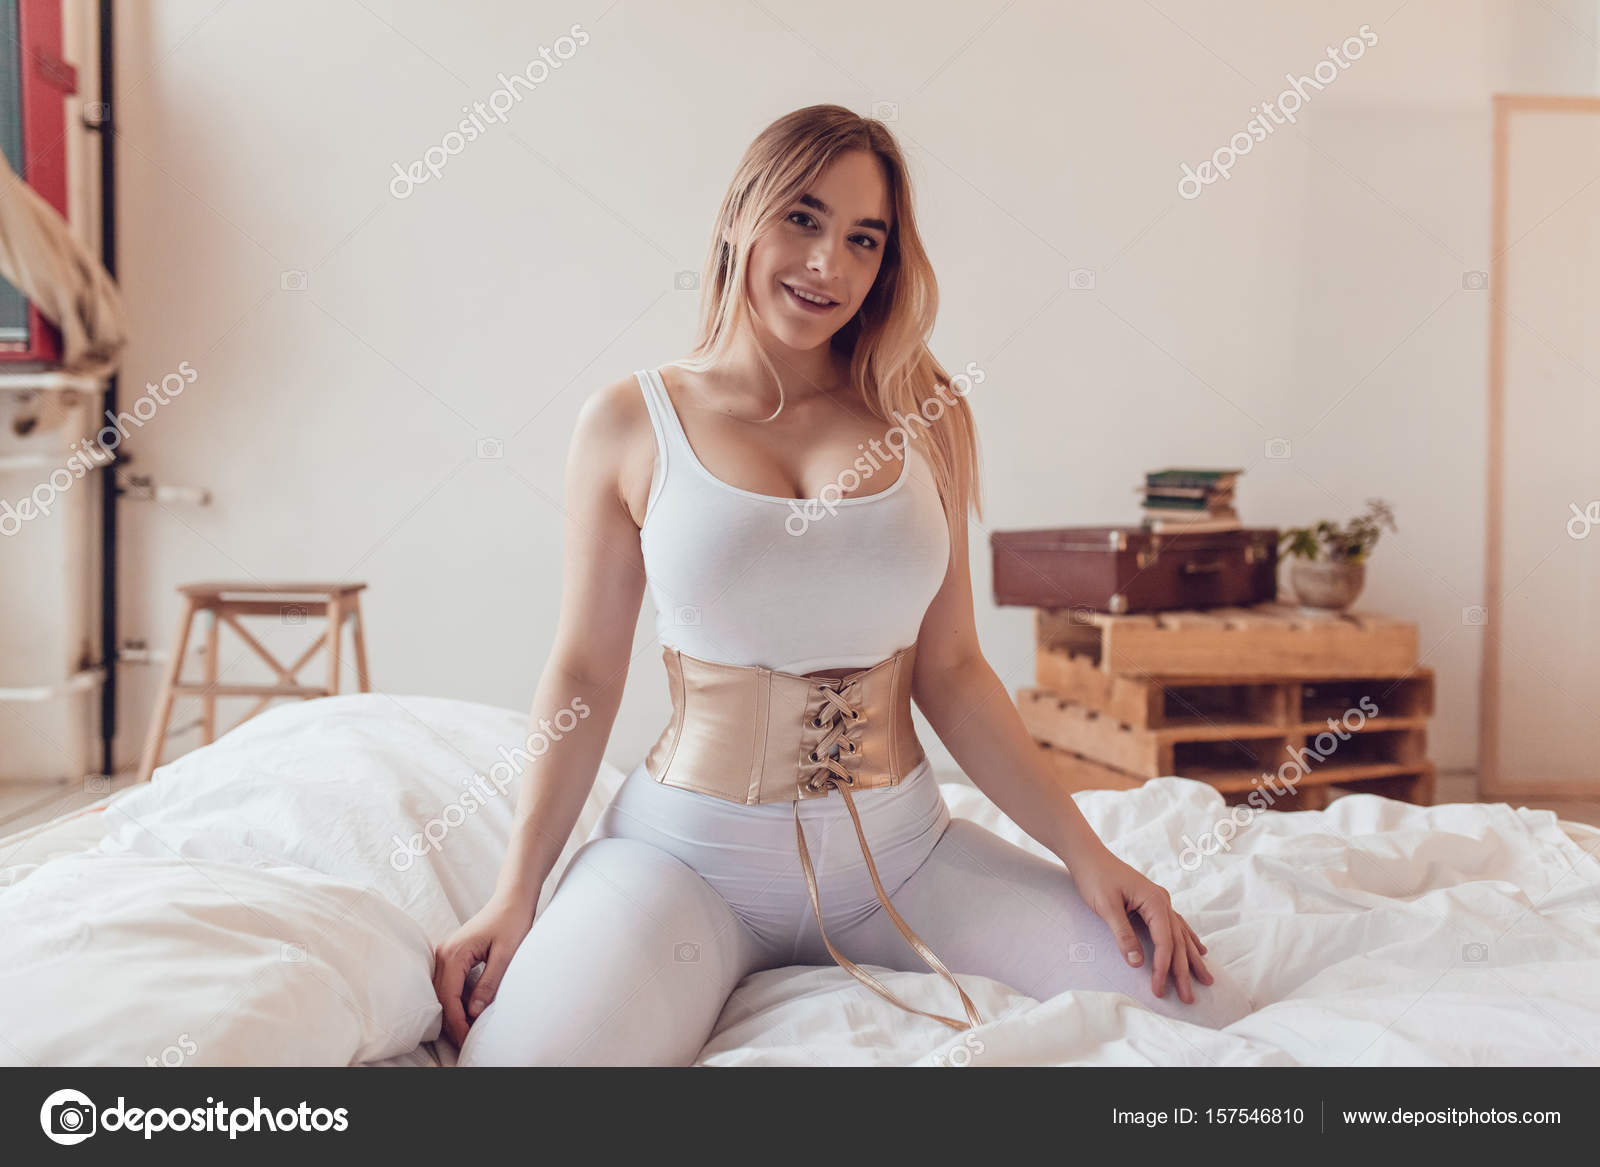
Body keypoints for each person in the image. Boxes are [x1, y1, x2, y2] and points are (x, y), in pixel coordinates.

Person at [434, 104, 1255, 1066]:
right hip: (684, 857)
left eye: (864, 239)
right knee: (523, 1074)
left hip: (901, 855)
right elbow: (582, 673)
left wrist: (1090, 857)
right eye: (804, 218)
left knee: (1202, 1009)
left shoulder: (927, 413)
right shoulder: (629, 421)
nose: (829, 263)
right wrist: (516, 891)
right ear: (742, 214)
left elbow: (951, 669)